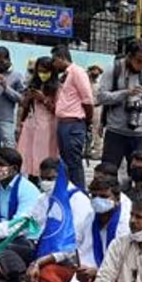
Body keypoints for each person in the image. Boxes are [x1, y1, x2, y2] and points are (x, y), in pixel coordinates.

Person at [30, 173, 129, 282]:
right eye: (94, 196)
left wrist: (97, 272)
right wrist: (37, 262)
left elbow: (126, 265)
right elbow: (70, 247)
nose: (97, 200)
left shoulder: (126, 224)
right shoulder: (90, 217)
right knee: (46, 272)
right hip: (82, 275)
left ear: (116, 200)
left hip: (109, 277)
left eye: (104, 196)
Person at [97, 39, 142, 171]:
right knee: (108, 171)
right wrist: (126, 93)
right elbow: (101, 97)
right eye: (139, 61)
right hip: (115, 132)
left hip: (140, 134)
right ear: (129, 56)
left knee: (139, 174)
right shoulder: (114, 69)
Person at [51, 45, 95, 189]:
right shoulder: (65, 75)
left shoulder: (77, 72)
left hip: (74, 123)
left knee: (74, 162)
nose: (53, 64)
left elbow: (87, 100)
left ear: (62, 58)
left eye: (55, 60)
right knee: (65, 162)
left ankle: (80, 193)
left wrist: (87, 120)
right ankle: (69, 191)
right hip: (63, 123)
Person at [17, 56, 59, 180]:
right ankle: (32, 180)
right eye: (40, 71)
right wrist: (28, 98)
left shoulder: (57, 87)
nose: (42, 74)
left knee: (44, 155)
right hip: (32, 124)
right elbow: (24, 106)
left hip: (48, 126)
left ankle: (46, 179)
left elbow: (58, 110)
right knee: (29, 156)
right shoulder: (33, 84)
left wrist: (43, 99)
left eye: (45, 71)